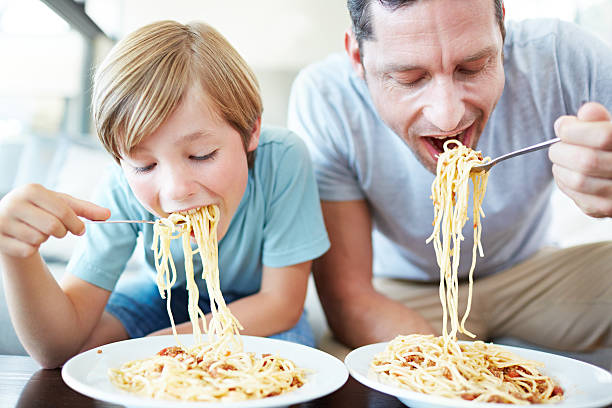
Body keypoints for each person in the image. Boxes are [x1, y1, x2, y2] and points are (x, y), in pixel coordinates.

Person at [288, 0, 612, 361]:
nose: (447, 117)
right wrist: (460, 373)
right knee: (330, 362)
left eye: (472, 67)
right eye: (409, 78)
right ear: (357, 57)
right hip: (400, 293)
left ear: (501, 25)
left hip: (533, 274)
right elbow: (349, 296)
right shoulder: (327, 98)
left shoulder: (560, 55)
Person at [0, 20, 329, 369]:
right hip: (166, 296)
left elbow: (282, 303)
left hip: (258, 305)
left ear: (251, 131)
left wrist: (166, 344)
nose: (175, 190)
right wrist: (16, 253)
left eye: (201, 155)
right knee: (87, 353)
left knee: (280, 366)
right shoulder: (120, 187)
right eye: (144, 165)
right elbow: (58, 349)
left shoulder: (283, 159)